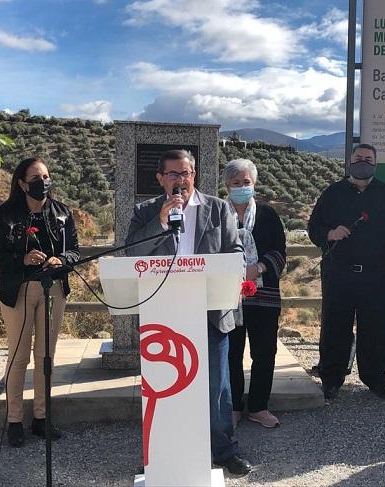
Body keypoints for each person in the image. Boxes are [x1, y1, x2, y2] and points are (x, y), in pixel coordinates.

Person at [125, 149, 251, 475]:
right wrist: (161, 221)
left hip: (210, 312)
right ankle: (161, 452)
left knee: (217, 388)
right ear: (160, 179)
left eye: (185, 174)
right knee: (163, 386)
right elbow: (132, 252)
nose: (180, 181)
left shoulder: (219, 209)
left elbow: (234, 252)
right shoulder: (145, 212)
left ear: (194, 175)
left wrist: (230, 272)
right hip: (163, 314)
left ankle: (223, 450)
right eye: (173, 175)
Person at [0, 156, 80, 447]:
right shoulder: (5, 214)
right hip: (19, 291)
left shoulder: (62, 213)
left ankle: (41, 417)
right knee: (19, 357)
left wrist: (60, 259)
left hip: (53, 290)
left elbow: (75, 251)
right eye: (37, 178)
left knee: (45, 357)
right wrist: (21, 259)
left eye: (47, 176)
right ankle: (15, 420)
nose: (44, 183)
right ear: (22, 183)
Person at [308, 143, 385, 401]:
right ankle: (331, 378)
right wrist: (329, 233)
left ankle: (376, 380)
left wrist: (382, 248)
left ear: (375, 164)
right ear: (350, 161)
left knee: (376, 328)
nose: (363, 162)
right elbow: (313, 227)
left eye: (368, 158)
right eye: (358, 157)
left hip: (376, 275)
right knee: (334, 326)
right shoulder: (333, 193)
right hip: (339, 273)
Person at [223, 158, 286, 429]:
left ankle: (259, 406)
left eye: (245, 182)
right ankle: (234, 406)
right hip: (226, 296)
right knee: (230, 353)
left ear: (254, 184)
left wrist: (258, 268)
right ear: (227, 185)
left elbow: (280, 252)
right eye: (236, 183)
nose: (241, 187)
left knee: (264, 352)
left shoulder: (268, 215)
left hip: (263, 296)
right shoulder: (217, 214)